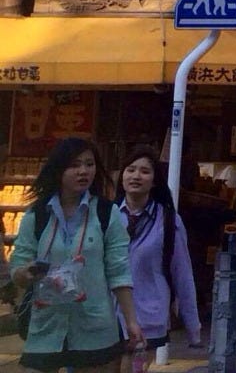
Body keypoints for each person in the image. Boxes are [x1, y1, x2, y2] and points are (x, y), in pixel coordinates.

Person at [9, 136, 145, 373]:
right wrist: (25, 272)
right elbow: (17, 268)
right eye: (74, 165)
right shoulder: (37, 215)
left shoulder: (106, 213)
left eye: (89, 164)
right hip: (46, 325)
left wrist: (131, 321)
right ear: (58, 169)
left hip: (95, 327)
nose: (84, 171)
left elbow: (119, 272)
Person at [114, 146, 201, 366]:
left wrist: (193, 326)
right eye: (130, 170)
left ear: (154, 181)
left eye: (144, 171)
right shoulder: (107, 217)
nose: (136, 176)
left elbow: (182, 274)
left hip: (148, 319)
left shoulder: (169, 221)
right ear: (122, 176)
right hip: (107, 319)